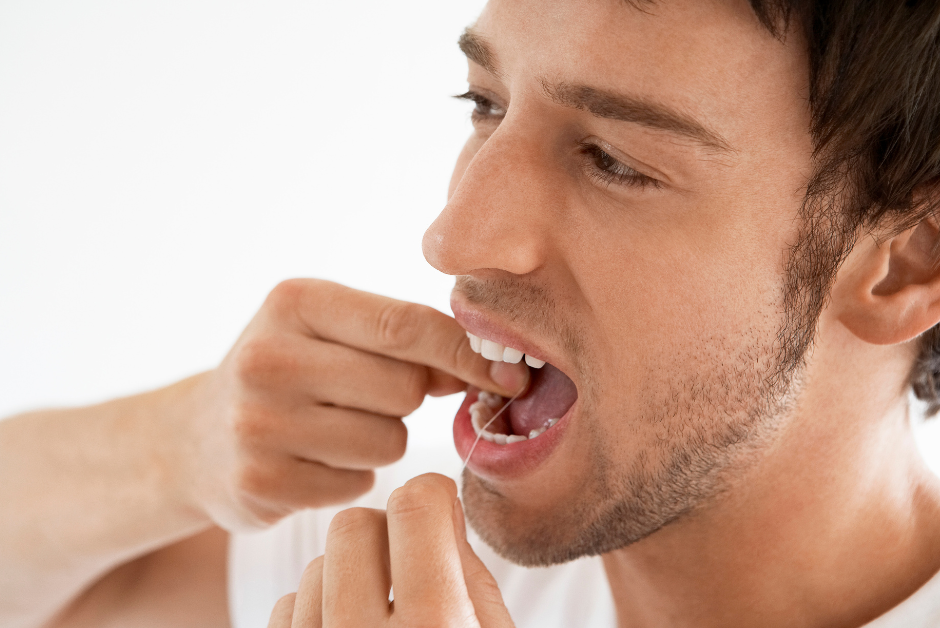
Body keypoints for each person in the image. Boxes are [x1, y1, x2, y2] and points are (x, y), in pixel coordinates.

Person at [5, 0, 940, 627]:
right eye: (485, 103)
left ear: (904, 267)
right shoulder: (393, 569)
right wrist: (178, 447)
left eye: (614, 160)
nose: (453, 236)